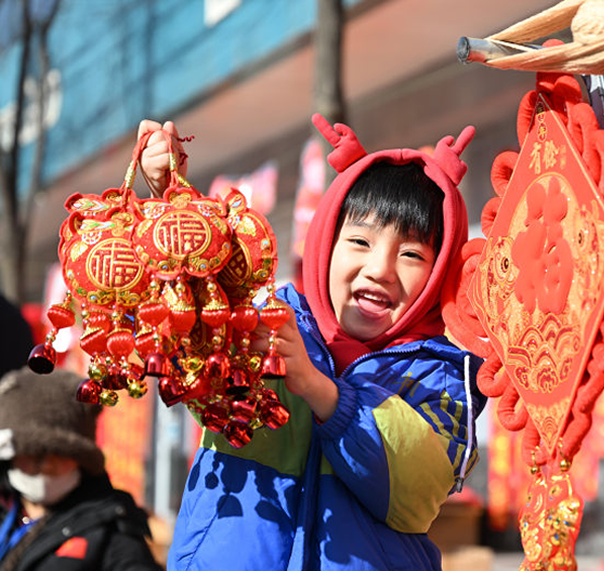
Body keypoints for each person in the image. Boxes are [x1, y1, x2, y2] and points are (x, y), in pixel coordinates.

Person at [137, 117, 486, 570]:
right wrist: (170, 198)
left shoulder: (442, 376)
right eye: (360, 240)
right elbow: (189, 323)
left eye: (411, 254)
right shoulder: (263, 322)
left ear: (439, 273)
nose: (380, 268)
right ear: (325, 244)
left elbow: (417, 491)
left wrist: (322, 391)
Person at [0, 368, 162, 571]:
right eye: (35, 454)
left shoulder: (110, 527)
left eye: (60, 453)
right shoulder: (7, 513)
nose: (48, 465)